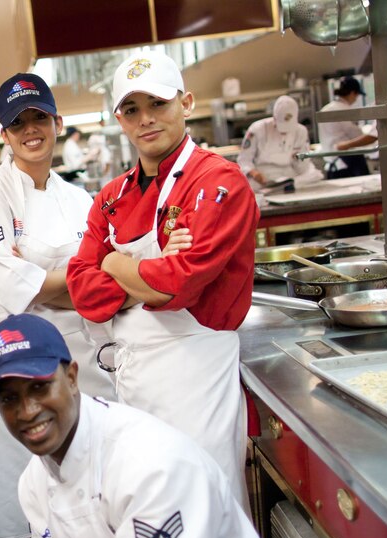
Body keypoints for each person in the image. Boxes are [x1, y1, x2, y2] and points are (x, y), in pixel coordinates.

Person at [66, 52, 258, 507]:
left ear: (186, 103)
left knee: (206, 502)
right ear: (120, 120)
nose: (146, 119)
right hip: (133, 380)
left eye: (158, 103)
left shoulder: (218, 181)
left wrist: (114, 263)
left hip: (196, 377)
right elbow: (83, 293)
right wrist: (150, 272)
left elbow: (178, 285)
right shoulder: (111, 197)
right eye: (132, 109)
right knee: (153, 507)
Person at [0, 72, 116, 538]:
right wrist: (77, 279)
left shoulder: (79, 199)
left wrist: (43, 278)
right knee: (18, 517)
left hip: (69, 362)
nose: (30, 131)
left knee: (82, 502)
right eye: (17, 123)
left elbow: (99, 278)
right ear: (4, 134)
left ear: (57, 123)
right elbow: (12, 288)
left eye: (38, 118)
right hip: (6, 366)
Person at [0, 313, 289, 538]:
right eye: (8, 399)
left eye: (40, 387)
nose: (27, 411)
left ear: (72, 378)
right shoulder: (35, 481)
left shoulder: (149, 465)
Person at [237, 95, 323, 190]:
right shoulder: (257, 129)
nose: (284, 132)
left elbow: (303, 167)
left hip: (289, 174)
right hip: (263, 176)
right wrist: (254, 173)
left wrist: (298, 160)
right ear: (274, 118)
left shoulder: (301, 131)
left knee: (315, 175)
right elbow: (243, 160)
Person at [317, 76, 378, 179]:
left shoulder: (325, 109)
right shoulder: (344, 111)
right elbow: (357, 134)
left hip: (332, 165)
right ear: (352, 93)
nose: (356, 99)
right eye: (357, 95)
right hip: (346, 164)